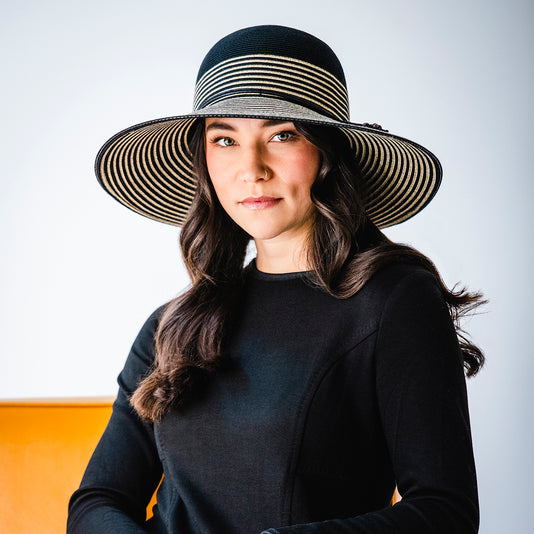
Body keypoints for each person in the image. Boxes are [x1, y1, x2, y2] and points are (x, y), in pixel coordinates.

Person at [67, 25, 484, 534]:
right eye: (225, 139)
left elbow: (445, 511)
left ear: (326, 154)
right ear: (205, 162)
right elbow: (98, 501)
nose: (251, 168)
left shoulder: (393, 301)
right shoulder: (173, 324)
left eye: (282, 135)